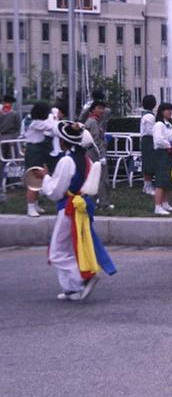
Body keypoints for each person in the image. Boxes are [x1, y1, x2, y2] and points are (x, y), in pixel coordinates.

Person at [38, 121, 116, 301]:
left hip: (68, 208)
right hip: (81, 207)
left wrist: (45, 178)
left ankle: (82, 277)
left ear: (64, 142)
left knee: (56, 252)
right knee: (71, 247)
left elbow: (56, 190)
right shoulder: (87, 159)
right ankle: (71, 288)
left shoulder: (66, 161)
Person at [23, 101, 58, 217]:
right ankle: (30, 207)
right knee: (33, 179)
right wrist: (54, 116)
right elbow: (52, 127)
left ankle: (36, 204)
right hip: (34, 151)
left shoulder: (32, 120)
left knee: (39, 179)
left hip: (37, 149)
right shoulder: (36, 123)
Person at [84, 101, 113, 210]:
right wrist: (102, 156)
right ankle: (103, 203)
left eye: (102, 108)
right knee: (102, 178)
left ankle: (92, 202)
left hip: (91, 152)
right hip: (96, 152)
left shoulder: (90, 121)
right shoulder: (94, 122)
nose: (102, 110)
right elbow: (97, 141)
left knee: (93, 177)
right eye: (99, 108)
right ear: (92, 109)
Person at [152, 103, 172, 216]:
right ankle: (157, 206)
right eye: (168, 110)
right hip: (162, 153)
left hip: (169, 153)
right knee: (161, 179)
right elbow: (158, 140)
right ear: (162, 111)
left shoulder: (169, 125)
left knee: (168, 178)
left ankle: (165, 203)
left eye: (171, 110)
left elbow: (170, 137)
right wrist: (169, 145)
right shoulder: (159, 124)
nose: (170, 112)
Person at [0, 95, 21, 202]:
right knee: (13, 160)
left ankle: (2, 182)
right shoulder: (14, 113)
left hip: (1, 137)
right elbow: (18, 127)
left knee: (2, 161)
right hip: (12, 138)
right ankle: (13, 182)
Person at [139, 95, 157, 196]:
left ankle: (148, 185)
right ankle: (147, 186)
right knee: (148, 164)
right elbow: (150, 130)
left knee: (149, 163)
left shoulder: (146, 115)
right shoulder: (149, 116)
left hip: (147, 140)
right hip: (148, 140)